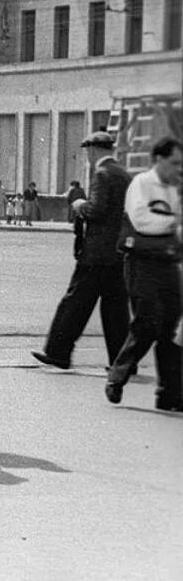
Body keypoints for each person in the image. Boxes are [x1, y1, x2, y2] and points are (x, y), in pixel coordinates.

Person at [33, 132, 131, 370]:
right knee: (116, 310)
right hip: (117, 254)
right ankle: (123, 362)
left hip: (95, 254)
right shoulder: (124, 174)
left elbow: (96, 210)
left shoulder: (102, 174)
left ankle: (58, 352)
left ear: (93, 150)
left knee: (74, 303)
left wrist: (79, 205)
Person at [105, 137, 183, 411]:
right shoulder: (141, 184)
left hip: (168, 264)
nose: (178, 168)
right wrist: (174, 224)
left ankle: (171, 394)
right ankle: (117, 376)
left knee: (172, 328)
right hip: (142, 264)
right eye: (174, 162)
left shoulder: (172, 189)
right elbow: (141, 220)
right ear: (159, 159)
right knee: (147, 323)